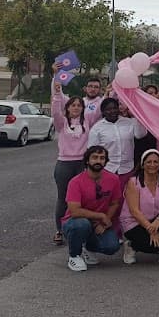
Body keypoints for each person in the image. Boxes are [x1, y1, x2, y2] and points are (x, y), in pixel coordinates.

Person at [86, 97, 148, 229]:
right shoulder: (97, 128)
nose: (112, 111)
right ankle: (109, 227)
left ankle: (127, 228)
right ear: (103, 111)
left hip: (127, 169)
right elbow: (91, 151)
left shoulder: (129, 122)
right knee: (110, 201)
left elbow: (141, 134)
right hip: (108, 170)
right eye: (108, 109)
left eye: (114, 108)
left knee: (127, 201)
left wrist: (136, 114)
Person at [61, 146, 122, 271]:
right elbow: (75, 211)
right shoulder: (75, 182)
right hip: (75, 221)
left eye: (102, 158)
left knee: (112, 246)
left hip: (98, 223)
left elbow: (115, 203)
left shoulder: (114, 179)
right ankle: (74, 255)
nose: (98, 161)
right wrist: (101, 216)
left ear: (106, 161)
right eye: (94, 157)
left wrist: (105, 222)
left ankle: (88, 249)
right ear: (87, 161)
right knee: (81, 224)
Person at [121, 149, 159, 266]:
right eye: (149, 162)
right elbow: (134, 211)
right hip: (134, 222)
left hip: (156, 219)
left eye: (156, 162)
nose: (152, 165)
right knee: (152, 247)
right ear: (143, 164)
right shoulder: (133, 182)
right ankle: (130, 245)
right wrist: (151, 230)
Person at [50, 70, 89, 246]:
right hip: (64, 164)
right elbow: (56, 109)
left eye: (79, 105)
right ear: (68, 107)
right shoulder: (62, 123)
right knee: (63, 197)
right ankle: (59, 229)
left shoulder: (87, 122)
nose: (76, 108)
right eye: (72, 105)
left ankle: (78, 228)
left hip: (81, 164)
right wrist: (57, 89)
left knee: (81, 198)